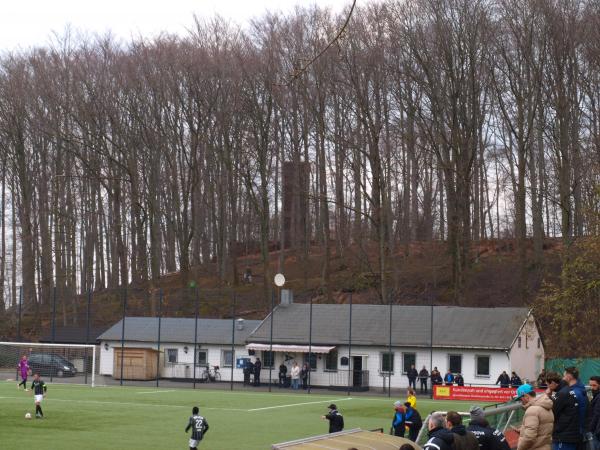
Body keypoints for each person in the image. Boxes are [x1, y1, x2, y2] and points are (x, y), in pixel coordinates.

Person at [551, 367, 589, 450]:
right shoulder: (582, 390)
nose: (563, 378)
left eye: (564, 376)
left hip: (565, 436)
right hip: (578, 434)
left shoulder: (566, 393)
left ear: (569, 376)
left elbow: (553, 413)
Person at [515, 384, 554, 450]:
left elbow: (529, 437)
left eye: (521, 399)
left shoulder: (532, 410)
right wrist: (523, 430)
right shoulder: (546, 406)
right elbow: (542, 429)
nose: (521, 402)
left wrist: (520, 448)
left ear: (526, 396)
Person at [589, 376, 600, 450]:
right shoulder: (596, 396)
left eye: (594, 385)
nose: (592, 388)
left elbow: (596, 414)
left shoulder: (599, 397)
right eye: (590, 385)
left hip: (596, 432)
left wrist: (590, 429)